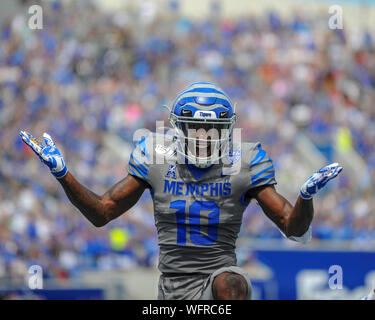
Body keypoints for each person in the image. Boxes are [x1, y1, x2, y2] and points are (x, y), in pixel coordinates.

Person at [19, 82, 343, 300]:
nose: (203, 138)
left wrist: (305, 197)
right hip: (171, 286)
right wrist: (64, 175)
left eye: (212, 131)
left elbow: (294, 228)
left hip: (217, 280)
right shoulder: (156, 157)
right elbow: (103, 212)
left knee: (232, 284)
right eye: (195, 130)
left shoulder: (245, 161)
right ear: (178, 129)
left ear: (227, 132)